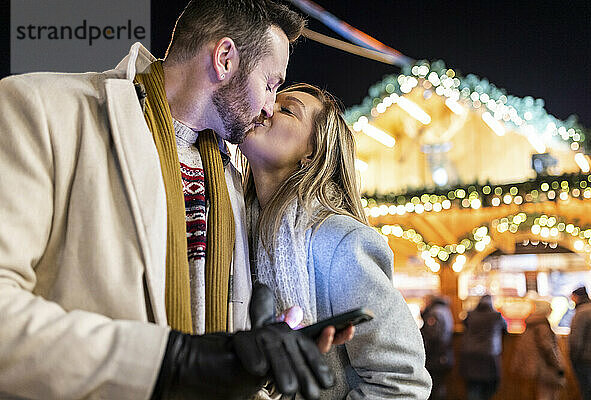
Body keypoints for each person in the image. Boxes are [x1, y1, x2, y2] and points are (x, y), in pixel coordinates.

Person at [0, 1, 347, 399]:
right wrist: (171, 363)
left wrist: (255, 359)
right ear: (225, 58)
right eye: (270, 84)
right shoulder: (43, 109)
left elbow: (218, 346)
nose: (270, 105)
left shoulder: (232, 177)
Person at [238, 83, 432, 399]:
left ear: (311, 152)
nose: (266, 107)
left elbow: (403, 383)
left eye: (287, 109)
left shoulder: (339, 242)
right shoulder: (236, 228)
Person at [512, 300, 566, 400]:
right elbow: (548, 348)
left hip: (532, 367)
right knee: (546, 395)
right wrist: (558, 366)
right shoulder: (542, 326)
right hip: (544, 368)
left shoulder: (530, 324)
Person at [459, 295, 507, 400]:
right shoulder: (496, 316)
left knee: (472, 386)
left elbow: (464, 325)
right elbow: (505, 329)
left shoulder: (470, 314)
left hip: (470, 354)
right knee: (490, 386)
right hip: (489, 354)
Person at [420, 295, 455, 400]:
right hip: (444, 355)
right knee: (439, 386)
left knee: (434, 387)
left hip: (436, 357)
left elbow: (432, 336)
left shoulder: (435, 313)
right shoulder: (444, 310)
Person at [569, 286, 591, 400]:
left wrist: (573, 358)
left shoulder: (581, 313)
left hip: (586, 360)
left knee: (589, 393)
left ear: (576, 297)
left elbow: (576, 341)